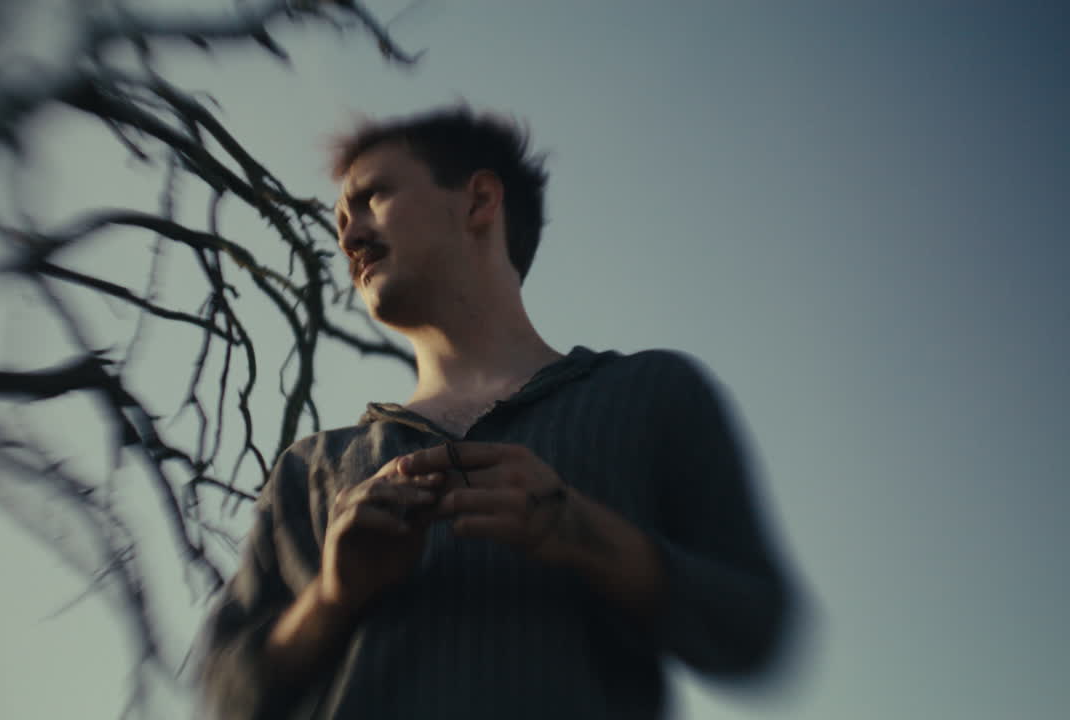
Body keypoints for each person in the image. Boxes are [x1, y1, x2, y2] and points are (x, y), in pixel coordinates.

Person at [198, 107, 793, 719]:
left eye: (372, 197)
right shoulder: (308, 470)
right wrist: (330, 597)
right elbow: (226, 697)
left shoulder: (653, 395)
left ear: (480, 200)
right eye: (341, 223)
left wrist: (583, 532)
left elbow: (754, 628)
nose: (349, 240)